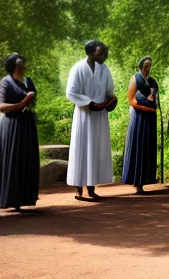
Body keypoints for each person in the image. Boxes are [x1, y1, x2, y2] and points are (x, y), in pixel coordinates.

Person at [66, 40, 118, 201]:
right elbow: (71, 92)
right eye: (100, 52)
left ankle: (92, 187)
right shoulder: (78, 68)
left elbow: (110, 89)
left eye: (104, 52)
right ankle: (78, 188)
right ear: (90, 52)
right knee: (81, 148)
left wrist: (110, 100)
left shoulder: (104, 69)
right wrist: (89, 103)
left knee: (95, 149)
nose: (104, 55)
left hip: (100, 115)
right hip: (84, 115)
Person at [0, 53, 40, 212]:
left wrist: (30, 103)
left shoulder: (28, 81)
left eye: (24, 64)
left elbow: (33, 103)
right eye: (20, 64)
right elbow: (2, 107)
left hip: (26, 125)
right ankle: (9, 198)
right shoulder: (5, 82)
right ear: (13, 66)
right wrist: (23, 102)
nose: (23, 67)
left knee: (25, 159)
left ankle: (26, 197)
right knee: (12, 159)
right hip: (11, 125)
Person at [122, 56, 159, 193]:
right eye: (145, 66)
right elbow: (131, 99)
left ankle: (145, 180)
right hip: (139, 117)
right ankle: (136, 182)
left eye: (149, 66)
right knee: (139, 146)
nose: (147, 69)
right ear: (140, 66)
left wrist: (152, 106)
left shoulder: (152, 81)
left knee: (147, 147)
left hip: (150, 118)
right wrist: (146, 107)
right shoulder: (135, 78)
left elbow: (155, 99)